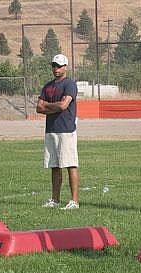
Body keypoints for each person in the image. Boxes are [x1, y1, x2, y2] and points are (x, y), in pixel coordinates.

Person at [36, 54, 79, 210]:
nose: (56, 68)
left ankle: (74, 201)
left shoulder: (70, 84)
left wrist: (48, 106)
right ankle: (55, 199)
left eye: (59, 66)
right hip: (51, 129)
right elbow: (38, 107)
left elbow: (63, 105)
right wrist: (54, 105)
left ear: (65, 67)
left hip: (66, 129)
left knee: (70, 164)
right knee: (54, 165)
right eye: (54, 65)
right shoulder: (47, 86)